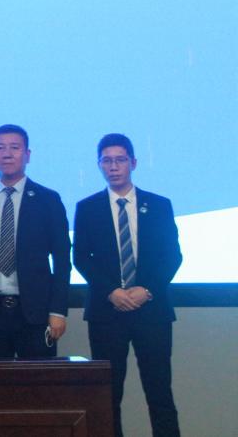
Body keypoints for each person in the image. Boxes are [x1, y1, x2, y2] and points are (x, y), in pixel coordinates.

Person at [73, 134, 182, 437]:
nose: (113, 166)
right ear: (99, 165)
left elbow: (172, 255)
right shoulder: (88, 207)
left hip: (152, 311)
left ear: (133, 163)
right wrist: (111, 292)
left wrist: (146, 289)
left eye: (120, 160)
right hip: (107, 312)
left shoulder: (159, 205)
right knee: (108, 396)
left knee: (159, 393)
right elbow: (80, 257)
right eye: (106, 161)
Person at [0, 124, 71, 359]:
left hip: (36, 313)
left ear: (27, 154)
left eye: (15, 148)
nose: (7, 154)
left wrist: (58, 311)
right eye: (0, 148)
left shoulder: (48, 200)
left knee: (39, 381)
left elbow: (62, 261)